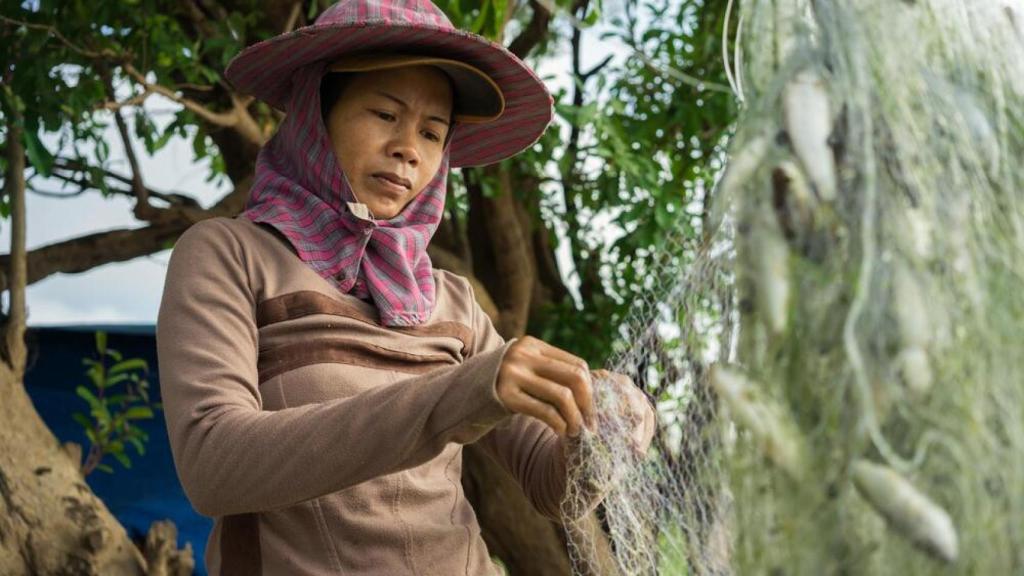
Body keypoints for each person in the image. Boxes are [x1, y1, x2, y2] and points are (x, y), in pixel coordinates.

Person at [155, 1, 656, 574]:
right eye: (384, 114)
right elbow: (213, 467)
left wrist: (602, 431)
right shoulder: (229, 255)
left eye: (432, 131)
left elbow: (549, 486)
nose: (408, 148)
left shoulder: (451, 300)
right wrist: (455, 395)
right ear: (315, 117)